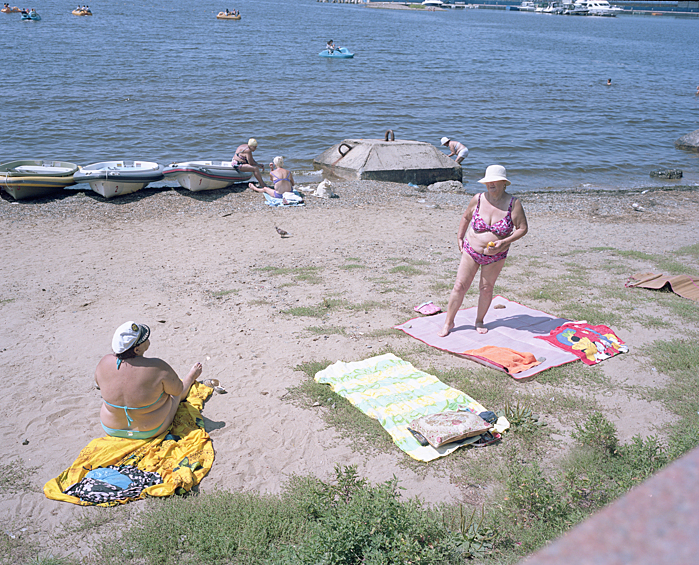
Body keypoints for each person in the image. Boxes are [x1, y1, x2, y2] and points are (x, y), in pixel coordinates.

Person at [438, 165, 528, 336]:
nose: (490, 184)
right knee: (460, 285)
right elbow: (466, 217)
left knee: (486, 288)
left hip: (496, 255)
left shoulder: (513, 204)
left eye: (494, 181)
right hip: (472, 250)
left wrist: (505, 241)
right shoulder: (478, 199)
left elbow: (522, 228)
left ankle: (479, 320)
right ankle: (449, 322)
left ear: (504, 183)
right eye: (488, 181)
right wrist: (459, 237)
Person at [95, 321, 203, 439]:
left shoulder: (103, 363)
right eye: (143, 338)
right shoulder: (157, 367)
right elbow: (177, 390)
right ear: (137, 350)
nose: (147, 338)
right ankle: (191, 376)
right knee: (174, 396)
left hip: (111, 428)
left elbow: (98, 384)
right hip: (150, 430)